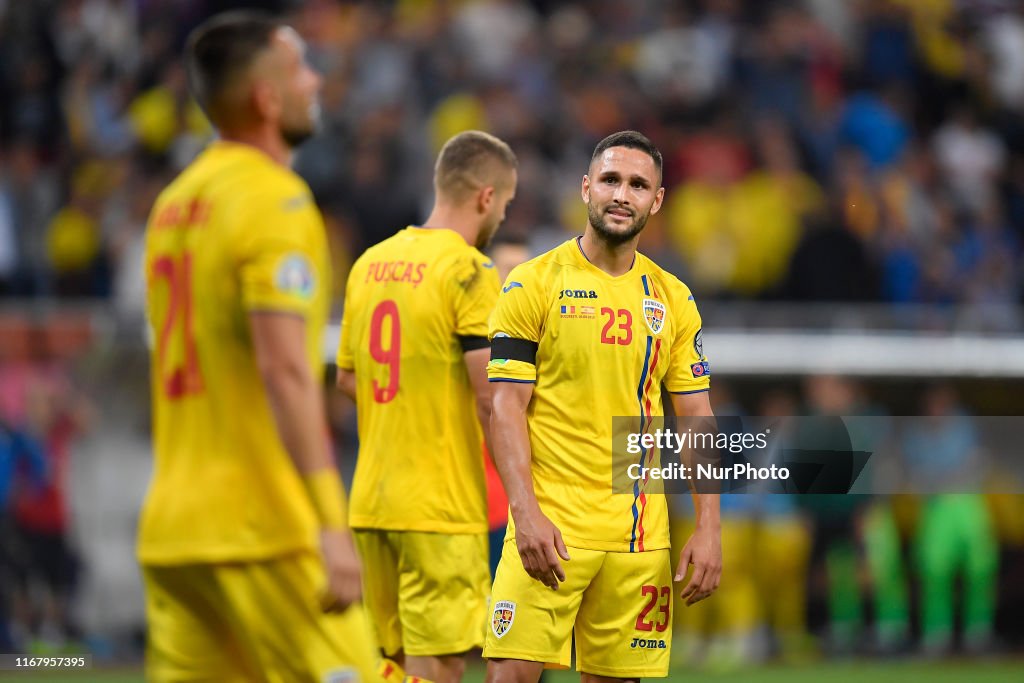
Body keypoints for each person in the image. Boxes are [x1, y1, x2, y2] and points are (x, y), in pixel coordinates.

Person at [136, 11, 379, 681]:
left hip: (174, 532)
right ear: (269, 98)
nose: (317, 80)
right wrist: (331, 520)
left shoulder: (173, 203)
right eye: (302, 66)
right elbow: (284, 370)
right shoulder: (277, 203)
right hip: (262, 526)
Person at [484, 130, 722, 681]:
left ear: (656, 201)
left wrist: (709, 527)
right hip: (550, 525)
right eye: (611, 180)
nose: (622, 193)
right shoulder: (532, 284)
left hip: (636, 537)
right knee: (508, 676)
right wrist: (525, 513)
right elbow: (506, 408)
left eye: (638, 185)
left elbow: (697, 419)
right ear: (586, 187)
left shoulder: (673, 298)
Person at [335, 130, 518, 683]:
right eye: (504, 205)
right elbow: (491, 397)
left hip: (372, 499)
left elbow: (347, 379)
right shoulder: (468, 270)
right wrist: (527, 496)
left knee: (390, 664)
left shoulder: (369, 263)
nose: (502, 218)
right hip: (438, 505)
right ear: (486, 197)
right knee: (440, 662)